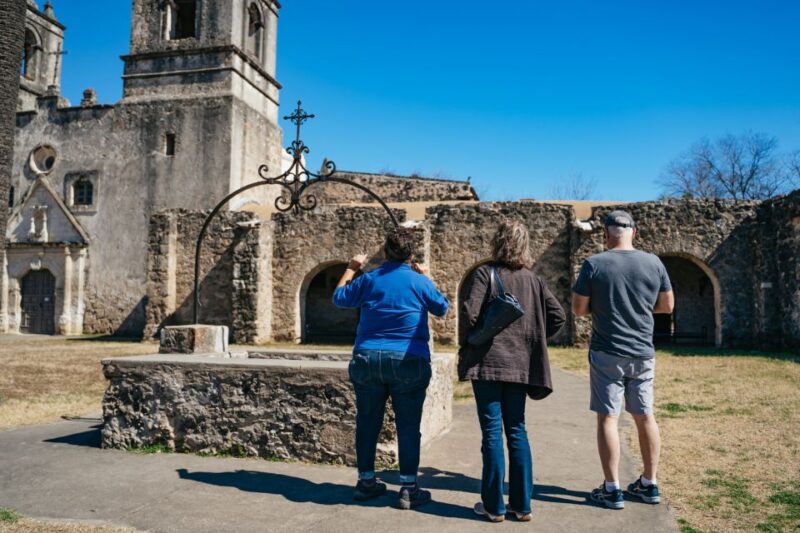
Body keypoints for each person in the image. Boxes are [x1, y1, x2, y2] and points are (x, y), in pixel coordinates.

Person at [333, 227, 449, 510]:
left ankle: (366, 481)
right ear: (411, 256)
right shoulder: (418, 281)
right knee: (408, 426)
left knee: (367, 421)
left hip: (368, 359)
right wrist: (425, 276)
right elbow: (442, 307)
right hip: (409, 359)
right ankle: (408, 487)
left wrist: (351, 268)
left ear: (385, 253)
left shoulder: (369, 279)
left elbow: (339, 298)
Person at [459, 220, 566, 522]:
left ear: (497, 242)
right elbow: (557, 316)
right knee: (517, 431)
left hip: (488, 364)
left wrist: (472, 338)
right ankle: (522, 506)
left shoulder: (485, 273)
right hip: (520, 366)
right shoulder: (534, 280)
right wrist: (531, 338)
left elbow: (469, 313)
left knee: (492, 433)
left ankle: (494, 507)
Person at [571, 210, 674, 510]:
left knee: (608, 418)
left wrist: (607, 306)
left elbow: (578, 309)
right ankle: (649, 484)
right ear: (635, 232)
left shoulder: (594, 264)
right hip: (643, 351)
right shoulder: (654, 262)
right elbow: (667, 306)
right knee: (645, 416)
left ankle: (612, 488)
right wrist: (639, 308)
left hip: (607, 351)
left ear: (605, 234)